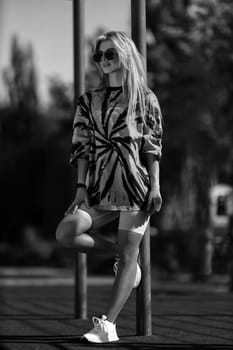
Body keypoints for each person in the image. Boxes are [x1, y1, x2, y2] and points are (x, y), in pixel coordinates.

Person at [56, 30, 163, 343]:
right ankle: (124, 260)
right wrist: (80, 188)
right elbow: (81, 146)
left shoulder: (145, 98)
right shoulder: (89, 101)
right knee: (66, 232)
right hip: (99, 187)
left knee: (131, 255)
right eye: (99, 55)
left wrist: (155, 186)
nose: (103, 61)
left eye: (110, 54)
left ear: (125, 56)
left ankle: (108, 326)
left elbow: (152, 147)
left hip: (135, 185)